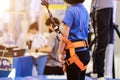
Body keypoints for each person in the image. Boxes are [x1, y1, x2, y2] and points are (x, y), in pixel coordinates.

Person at [58, 0, 90, 80]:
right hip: (85, 52)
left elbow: (65, 35)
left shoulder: (71, 11)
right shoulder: (85, 11)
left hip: (74, 52)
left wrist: (60, 52)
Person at [90, 0, 114, 79]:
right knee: (101, 42)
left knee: (105, 42)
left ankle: (97, 71)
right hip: (100, 8)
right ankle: (99, 73)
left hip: (108, 8)